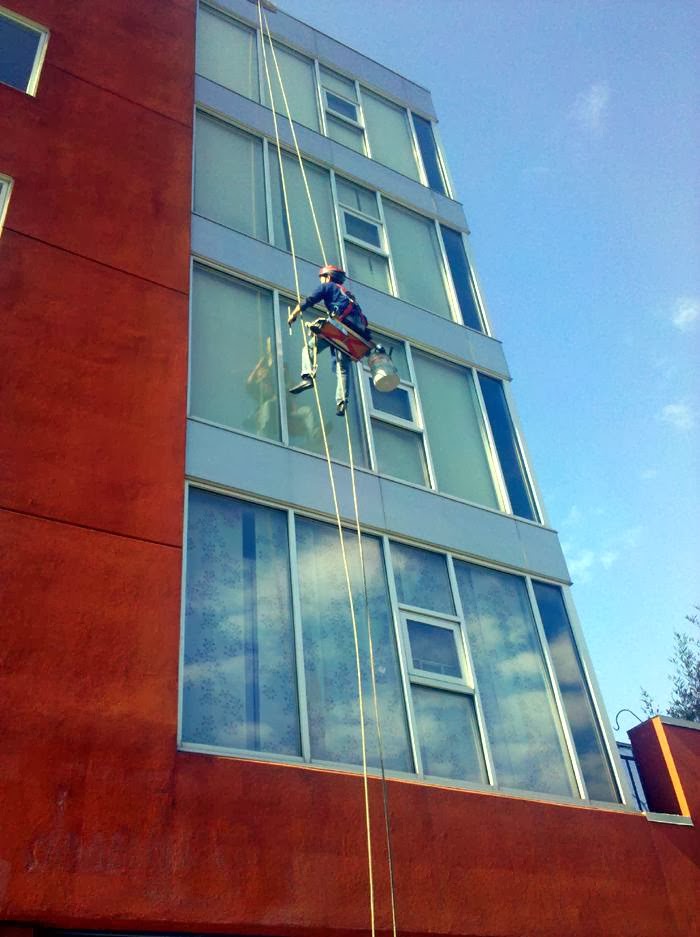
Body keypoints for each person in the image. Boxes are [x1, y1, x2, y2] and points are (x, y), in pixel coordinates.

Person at [287, 264, 371, 416]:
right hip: (354, 333)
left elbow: (309, 300)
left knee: (309, 347)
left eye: (322, 278)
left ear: (328, 277)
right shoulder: (349, 296)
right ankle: (342, 402)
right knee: (342, 367)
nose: (321, 281)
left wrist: (293, 314)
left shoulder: (328, 287)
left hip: (340, 324)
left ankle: (307, 376)